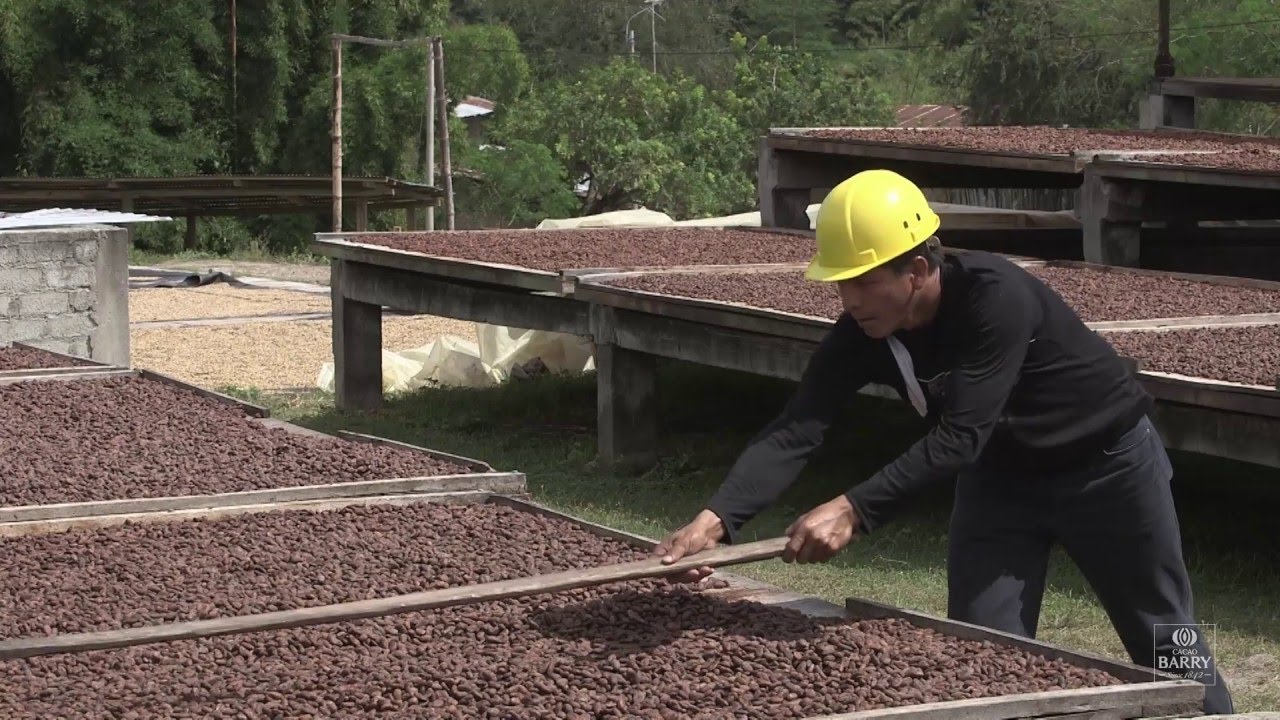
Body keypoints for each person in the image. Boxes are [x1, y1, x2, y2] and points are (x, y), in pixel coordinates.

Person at [654, 169, 1233, 714]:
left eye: (863, 281)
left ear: (917, 269)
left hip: (1107, 468)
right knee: (981, 651)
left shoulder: (995, 298)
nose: (849, 300)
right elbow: (798, 426)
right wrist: (717, 518)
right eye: (841, 284)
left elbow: (961, 436)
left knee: (1163, 635)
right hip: (1001, 481)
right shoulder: (861, 332)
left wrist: (854, 509)